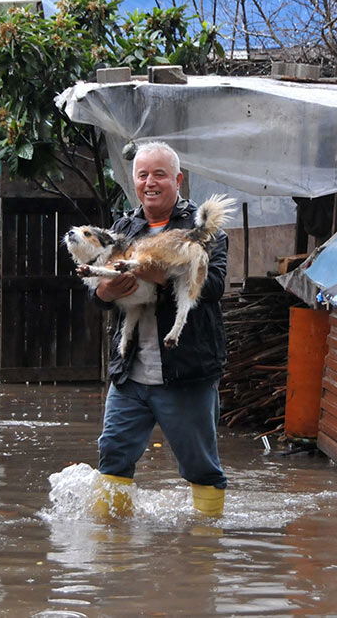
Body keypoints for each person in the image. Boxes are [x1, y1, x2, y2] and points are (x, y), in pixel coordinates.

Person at [89, 141, 229, 519]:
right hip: (130, 371)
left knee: (200, 466)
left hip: (186, 371)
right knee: (113, 456)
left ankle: (204, 550)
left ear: (178, 180)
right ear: (134, 181)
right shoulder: (123, 227)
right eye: (142, 175)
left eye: (159, 175)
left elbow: (214, 286)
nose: (150, 182)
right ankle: (109, 547)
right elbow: (101, 299)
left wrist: (161, 276)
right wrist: (105, 291)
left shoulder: (202, 229)